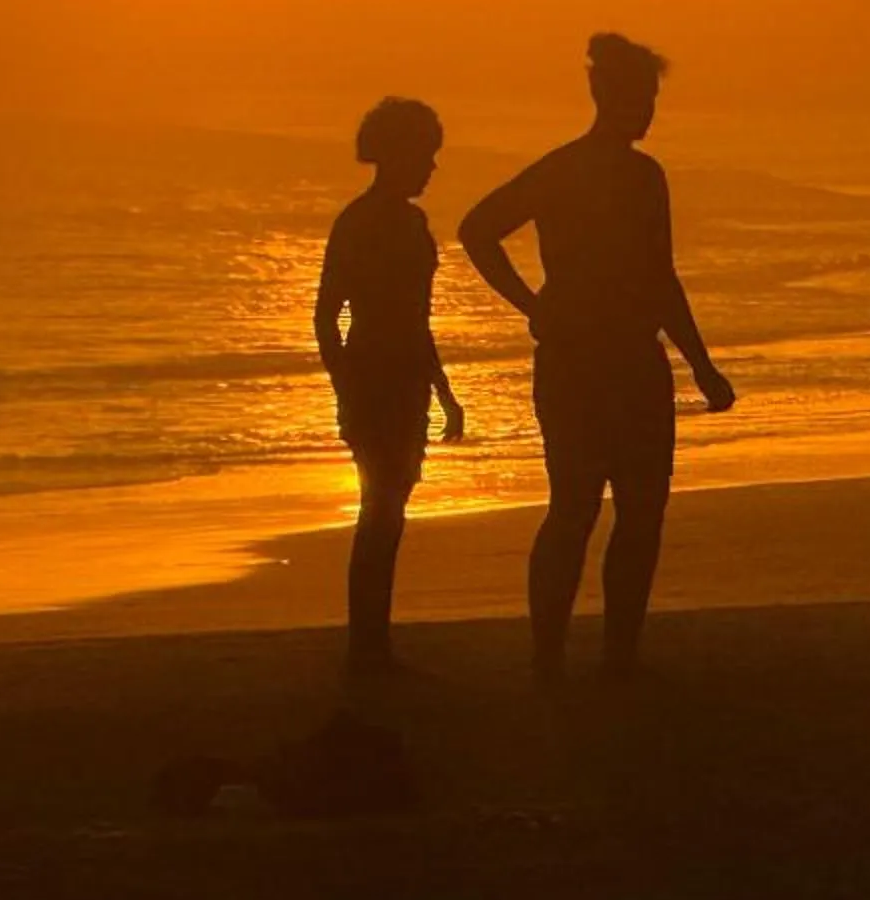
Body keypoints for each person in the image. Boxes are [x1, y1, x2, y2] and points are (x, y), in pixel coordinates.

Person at [459, 34, 735, 681]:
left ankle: (596, 657)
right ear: (609, 96)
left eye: (651, 100)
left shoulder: (597, 172)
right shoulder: (620, 175)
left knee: (616, 511)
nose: (647, 112)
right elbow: (477, 229)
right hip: (593, 362)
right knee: (589, 511)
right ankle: (571, 657)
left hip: (610, 360)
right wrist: (531, 305)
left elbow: (659, 277)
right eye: (641, 98)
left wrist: (699, 362)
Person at [313, 97, 464, 676]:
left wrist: (444, 390)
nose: (431, 167)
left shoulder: (410, 221)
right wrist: (346, 390)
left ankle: (373, 641)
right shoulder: (358, 222)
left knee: (390, 508)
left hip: (406, 378)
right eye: (426, 155)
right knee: (379, 509)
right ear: (398, 153)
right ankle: (366, 645)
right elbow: (328, 318)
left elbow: (417, 316)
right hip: (375, 378)